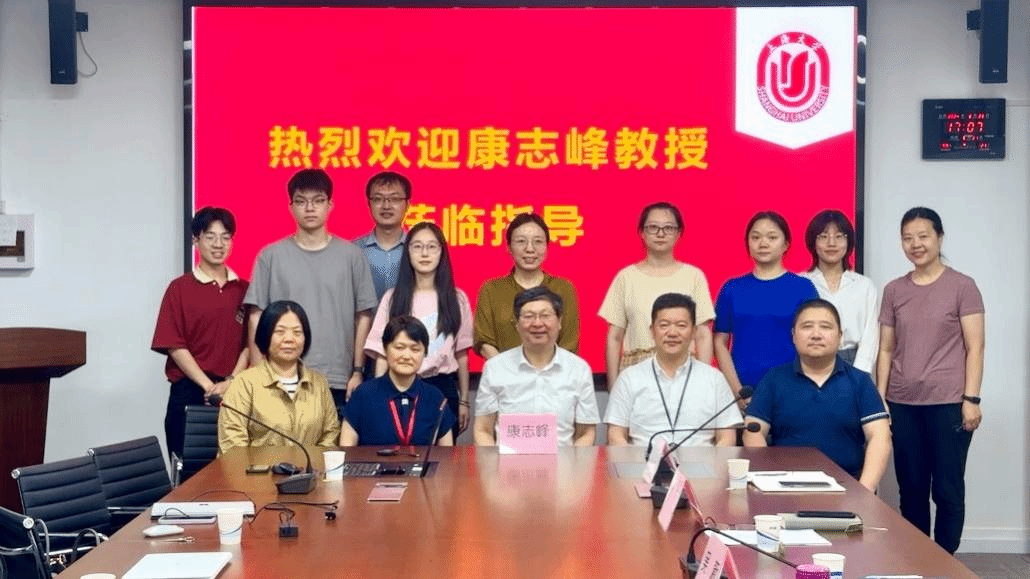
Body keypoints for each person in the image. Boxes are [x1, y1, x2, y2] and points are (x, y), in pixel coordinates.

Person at [877, 207, 984, 554]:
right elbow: (886, 349)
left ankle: (945, 560)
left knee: (947, 489)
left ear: (939, 237)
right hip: (902, 404)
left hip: (949, 403)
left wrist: (971, 399)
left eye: (923, 236)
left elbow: (976, 347)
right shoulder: (894, 290)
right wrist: (881, 399)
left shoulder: (963, 286)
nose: (916, 244)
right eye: (908, 238)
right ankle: (919, 558)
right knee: (911, 488)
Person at [244, 168, 377, 415]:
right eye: (301, 201)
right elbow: (255, 316)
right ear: (290, 207)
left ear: (330, 205)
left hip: (337, 379)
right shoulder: (270, 256)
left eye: (318, 201)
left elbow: (363, 316)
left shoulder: (352, 256)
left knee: (334, 441)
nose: (310, 208)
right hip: (281, 377)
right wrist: (259, 373)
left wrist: (358, 371)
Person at [743, 299, 891, 491]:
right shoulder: (773, 380)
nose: (816, 335)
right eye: (807, 327)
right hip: (784, 488)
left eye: (825, 327)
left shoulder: (860, 382)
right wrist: (768, 482)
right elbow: (753, 432)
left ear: (840, 336)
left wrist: (864, 491)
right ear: (793, 335)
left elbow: (880, 437)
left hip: (848, 488)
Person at [152, 207, 249, 460]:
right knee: (189, 473)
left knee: (234, 471)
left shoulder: (245, 290)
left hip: (234, 392)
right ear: (196, 240)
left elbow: (250, 345)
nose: (218, 244)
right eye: (210, 237)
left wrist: (231, 381)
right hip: (190, 392)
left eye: (225, 237)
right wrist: (208, 386)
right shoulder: (179, 288)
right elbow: (175, 345)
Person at [364, 221, 473, 438]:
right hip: (398, 387)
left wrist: (464, 401)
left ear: (441, 252)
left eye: (432, 247)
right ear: (408, 252)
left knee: (443, 457)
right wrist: (379, 396)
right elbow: (382, 353)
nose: (425, 253)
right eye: (417, 246)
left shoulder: (457, 298)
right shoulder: (393, 298)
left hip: (441, 387)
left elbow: (462, 354)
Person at [598, 202, 715, 390]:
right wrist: (613, 386)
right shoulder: (626, 277)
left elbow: (702, 334)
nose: (660, 234)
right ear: (642, 233)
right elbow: (615, 337)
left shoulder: (694, 276)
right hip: (636, 374)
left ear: (678, 233)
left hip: (683, 373)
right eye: (653, 227)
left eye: (668, 228)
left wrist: (703, 382)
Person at [606, 293, 742, 448]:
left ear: (694, 332)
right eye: (664, 325)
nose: (672, 333)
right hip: (642, 462)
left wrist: (711, 463)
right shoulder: (629, 378)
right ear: (652, 331)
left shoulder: (714, 379)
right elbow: (615, 435)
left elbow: (727, 438)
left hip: (701, 462)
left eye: (681, 325)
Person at [714, 211, 818, 402]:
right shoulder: (732, 288)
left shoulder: (803, 288)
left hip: (793, 392)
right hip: (743, 392)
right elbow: (720, 343)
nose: (763, 243)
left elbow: (814, 341)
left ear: (786, 244)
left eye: (772, 237)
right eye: (756, 237)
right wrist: (737, 391)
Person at [474, 287, 599, 446]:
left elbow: (586, 433)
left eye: (545, 316)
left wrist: (573, 461)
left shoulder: (579, 370)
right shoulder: (495, 368)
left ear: (559, 322)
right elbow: (483, 430)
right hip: (507, 461)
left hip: (562, 461)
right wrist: (493, 462)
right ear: (517, 324)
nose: (537, 323)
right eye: (528, 316)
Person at [218, 301, 340, 454]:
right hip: (257, 470)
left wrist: (312, 464)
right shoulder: (244, 384)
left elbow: (331, 434)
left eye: (297, 332)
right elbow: (233, 446)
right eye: (280, 332)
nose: (289, 339)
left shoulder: (319, 383)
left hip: (311, 469)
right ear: (265, 335)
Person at [473, 213, 579, 358]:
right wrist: (507, 369)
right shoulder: (491, 290)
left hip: (554, 371)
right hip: (503, 371)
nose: (530, 249)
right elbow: (484, 342)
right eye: (521, 241)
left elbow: (569, 344)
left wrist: (545, 370)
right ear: (509, 247)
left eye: (538, 241)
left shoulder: (563, 288)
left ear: (547, 246)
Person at [343, 316, 456, 446]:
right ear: (385, 349)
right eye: (399, 347)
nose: (406, 356)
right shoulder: (363, 395)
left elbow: (447, 453)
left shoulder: (435, 398)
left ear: (425, 353)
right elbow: (347, 449)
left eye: (415, 349)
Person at [800, 210, 878, 373]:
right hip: (809, 363)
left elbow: (870, 336)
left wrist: (858, 375)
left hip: (852, 362)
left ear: (848, 242)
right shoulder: (800, 283)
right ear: (813, 243)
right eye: (823, 236)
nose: (832, 243)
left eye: (839, 236)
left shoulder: (864, 285)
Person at [353, 171, 411, 305]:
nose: (386, 206)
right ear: (369, 204)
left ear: (407, 204)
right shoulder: (353, 251)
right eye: (378, 199)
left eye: (395, 199)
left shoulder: (418, 249)